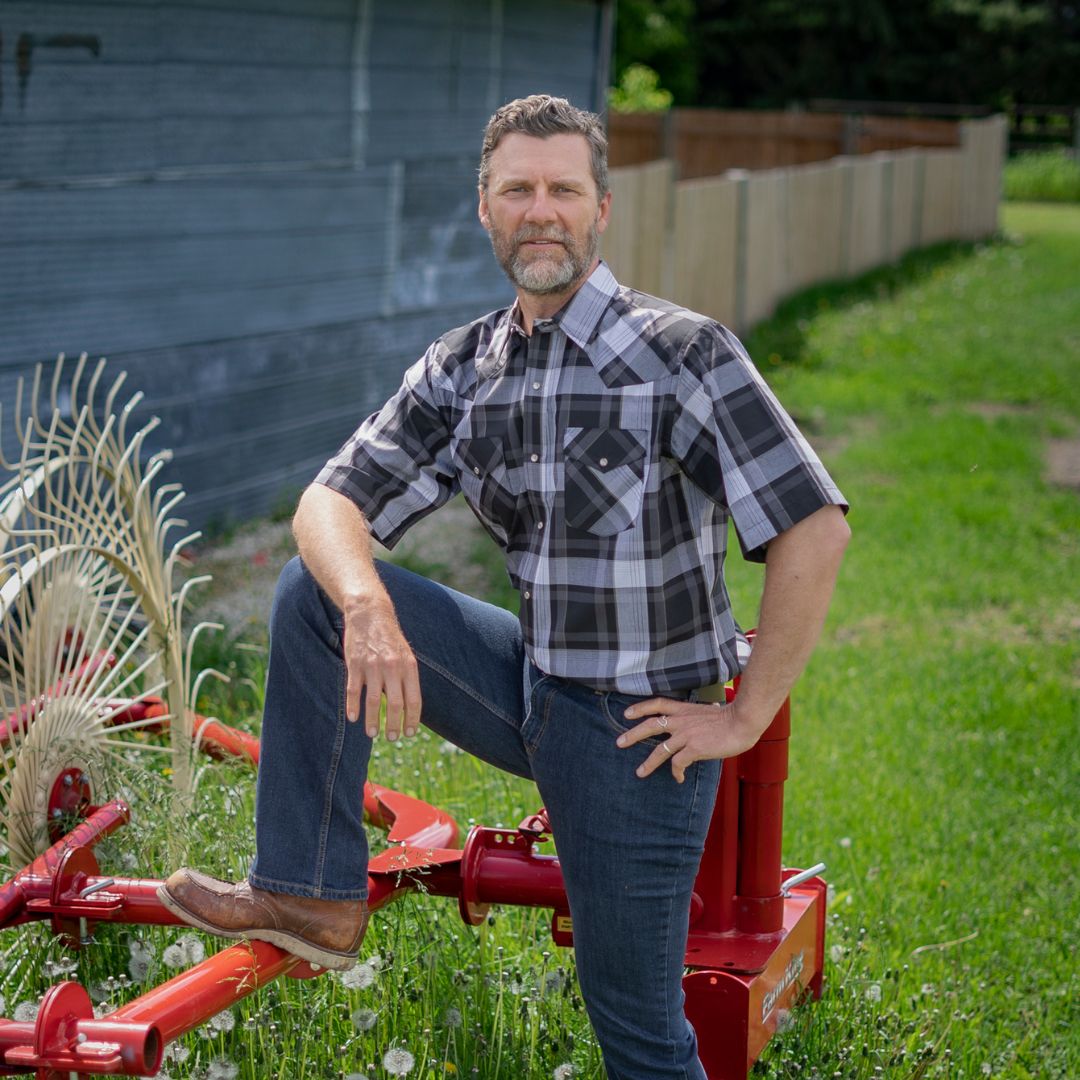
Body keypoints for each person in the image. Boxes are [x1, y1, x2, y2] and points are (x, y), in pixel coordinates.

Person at [159, 94, 850, 1079]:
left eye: (563, 189)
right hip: (529, 685)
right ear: (484, 209)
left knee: (639, 1032)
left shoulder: (679, 354)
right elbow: (328, 501)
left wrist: (745, 718)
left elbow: (814, 527)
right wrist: (367, 608)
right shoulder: (465, 368)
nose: (541, 210)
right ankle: (312, 891)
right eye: (516, 190)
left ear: (601, 208)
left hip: (640, 739)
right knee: (313, 595)